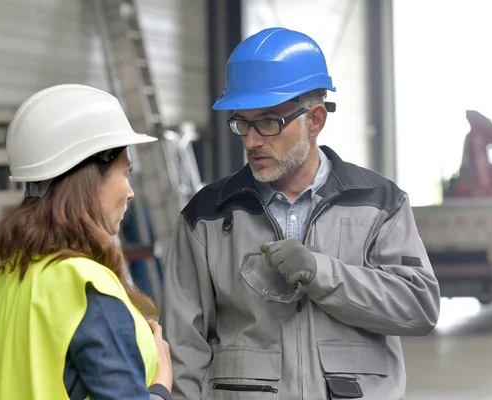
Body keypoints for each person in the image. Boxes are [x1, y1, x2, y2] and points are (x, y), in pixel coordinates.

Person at [159, 27, 440, 399]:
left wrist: (320, 272)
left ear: (316, 119)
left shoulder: (379, 203)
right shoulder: (206, 217)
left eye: (269, 122)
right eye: (242, 123)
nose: (252, 140)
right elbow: (183, 348)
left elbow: (418, 307)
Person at [0, 84, 173, 400]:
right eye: (125, 172)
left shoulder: (1, 289)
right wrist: (161, 382)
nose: (130, 192)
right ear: (90, 178)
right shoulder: (86, 289)